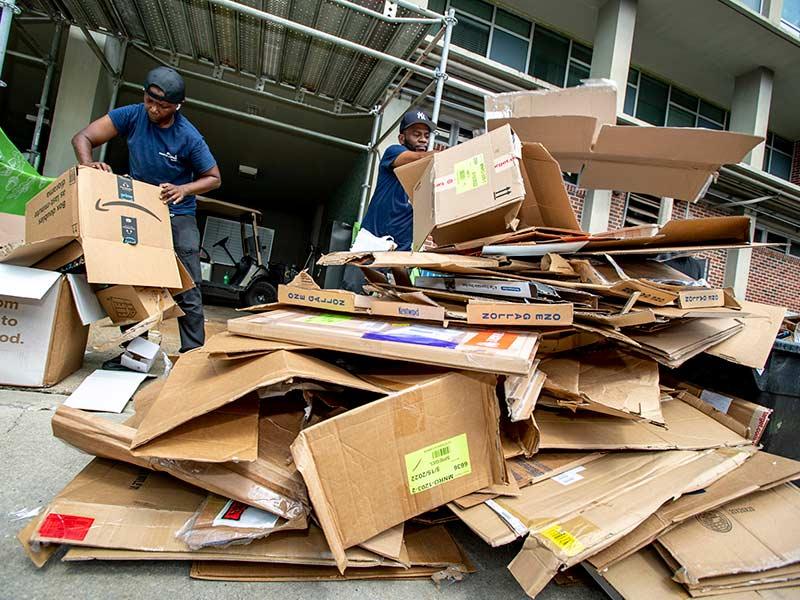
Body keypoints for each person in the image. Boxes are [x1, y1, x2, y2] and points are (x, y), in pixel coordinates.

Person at [72, 66, 221, 355]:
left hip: (177, 211)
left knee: (187, 283)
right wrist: (88, 163)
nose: (153, 109)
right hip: (138, 206)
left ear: (176, 106)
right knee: (127, 278)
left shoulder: (189, 137)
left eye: (162, 106)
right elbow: (83, 137)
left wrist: (184, 189)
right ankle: (135, 351)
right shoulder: (131, 114)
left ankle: (192, 354)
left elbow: (214, 177)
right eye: (149, 101)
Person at [360, 110, 434, 252]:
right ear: (401, 138)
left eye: (426, 135)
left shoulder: (428, 170)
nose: (423, 140)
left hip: (402, 244)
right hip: (374, 240)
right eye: (416, 134)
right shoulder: (393, 152)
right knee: (368, 274)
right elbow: (419, 158)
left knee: (400, 274)